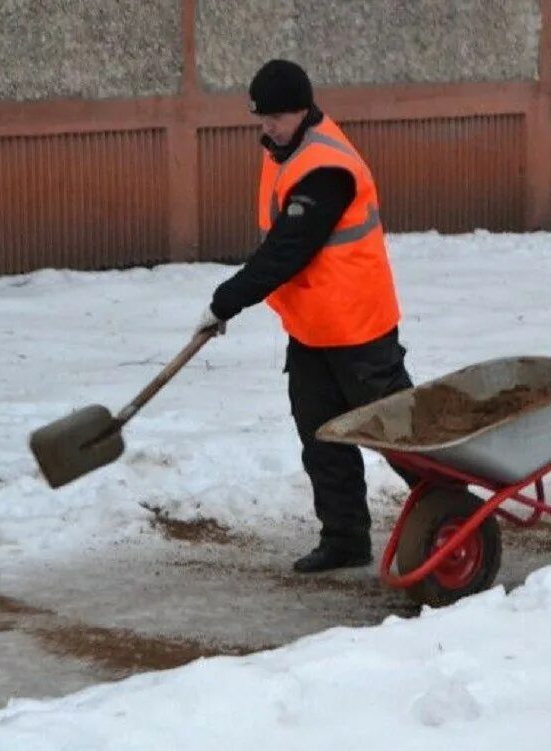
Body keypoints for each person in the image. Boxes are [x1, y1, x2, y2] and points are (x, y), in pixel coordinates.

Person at [196, 59, 414, 573]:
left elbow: (286, 250)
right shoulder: (283, 151)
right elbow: (281, 243)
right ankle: (344, 539)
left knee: (400, 436)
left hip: (359, 328)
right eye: (261, 117)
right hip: (313, 328)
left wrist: (226, 299)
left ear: (302, 110)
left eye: (276, 116)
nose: (266, 127)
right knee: (320, 436)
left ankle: (454, 510)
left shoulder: (326, 167)